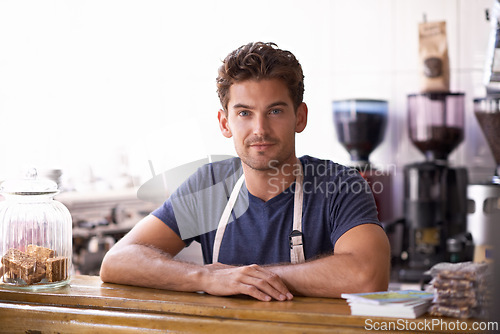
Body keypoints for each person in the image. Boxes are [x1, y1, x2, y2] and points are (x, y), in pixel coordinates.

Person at [100, 42, 391, 302]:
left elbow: (368, 276)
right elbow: (117, 261)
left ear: (299, 117)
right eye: (244, 113)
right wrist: (209, 277)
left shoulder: (340, 185)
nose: (260, 129)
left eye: (275, 111)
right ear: (225, 123)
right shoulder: (209, 186)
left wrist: (250, 278)